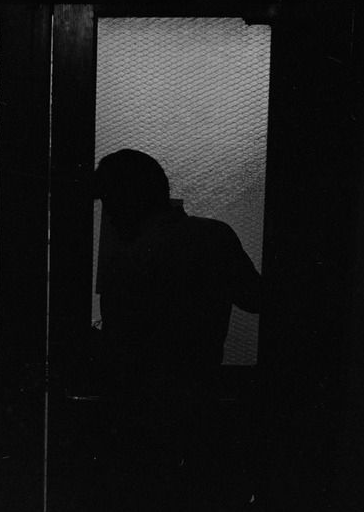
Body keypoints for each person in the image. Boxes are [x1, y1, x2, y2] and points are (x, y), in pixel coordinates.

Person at [92, 148, 262, 393]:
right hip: (203, 391)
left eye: (110, 204)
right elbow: (254, 298)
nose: (109, 217)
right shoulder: (216, 235)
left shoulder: (128, 260)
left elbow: (119, 350)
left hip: (144, 399)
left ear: (125, 201)